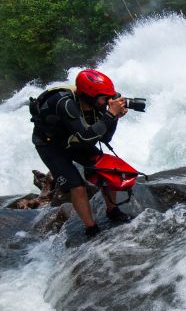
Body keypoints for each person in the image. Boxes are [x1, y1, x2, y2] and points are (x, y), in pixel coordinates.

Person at [30, 69, 131, 237]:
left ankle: (112, 211)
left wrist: (114, 117)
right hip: (51, 146)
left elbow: (105, 137)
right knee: (77, 186)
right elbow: (87, 138)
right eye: (104, 98)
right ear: (90, 95)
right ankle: (91, 228)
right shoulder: (65, 103)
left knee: (106, 169)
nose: (108, 101)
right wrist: (110, 114)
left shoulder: (95, 104)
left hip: (73, 140)